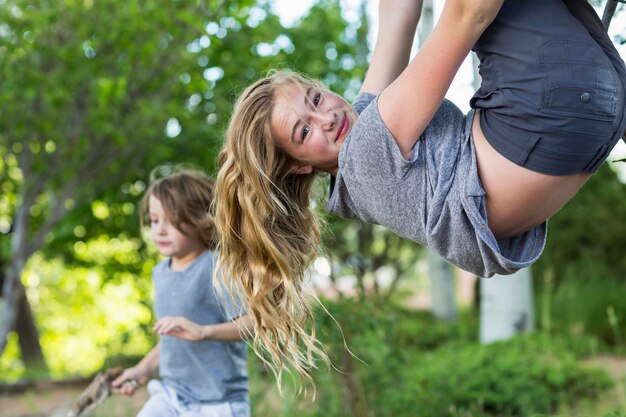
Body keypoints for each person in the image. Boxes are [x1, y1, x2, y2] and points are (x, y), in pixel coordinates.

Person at [212, 0, 626, 385]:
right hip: (544, 111)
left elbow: (397, 18)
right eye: (303, 131)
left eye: (315, 98)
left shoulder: (364, 148)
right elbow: (467, 15)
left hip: (583, 112)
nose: (326, 117)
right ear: (300, 166)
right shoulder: (368, 151)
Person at [112, 168, 253, 417]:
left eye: (172, 219)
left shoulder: (217, 266)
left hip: (218, 403)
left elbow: (253, 324)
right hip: (172, 396)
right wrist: (142, 370)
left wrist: (204, 332)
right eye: (155, 220)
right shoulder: (160, 273)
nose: (160, 230)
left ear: (201, 218)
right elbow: (171, 339)